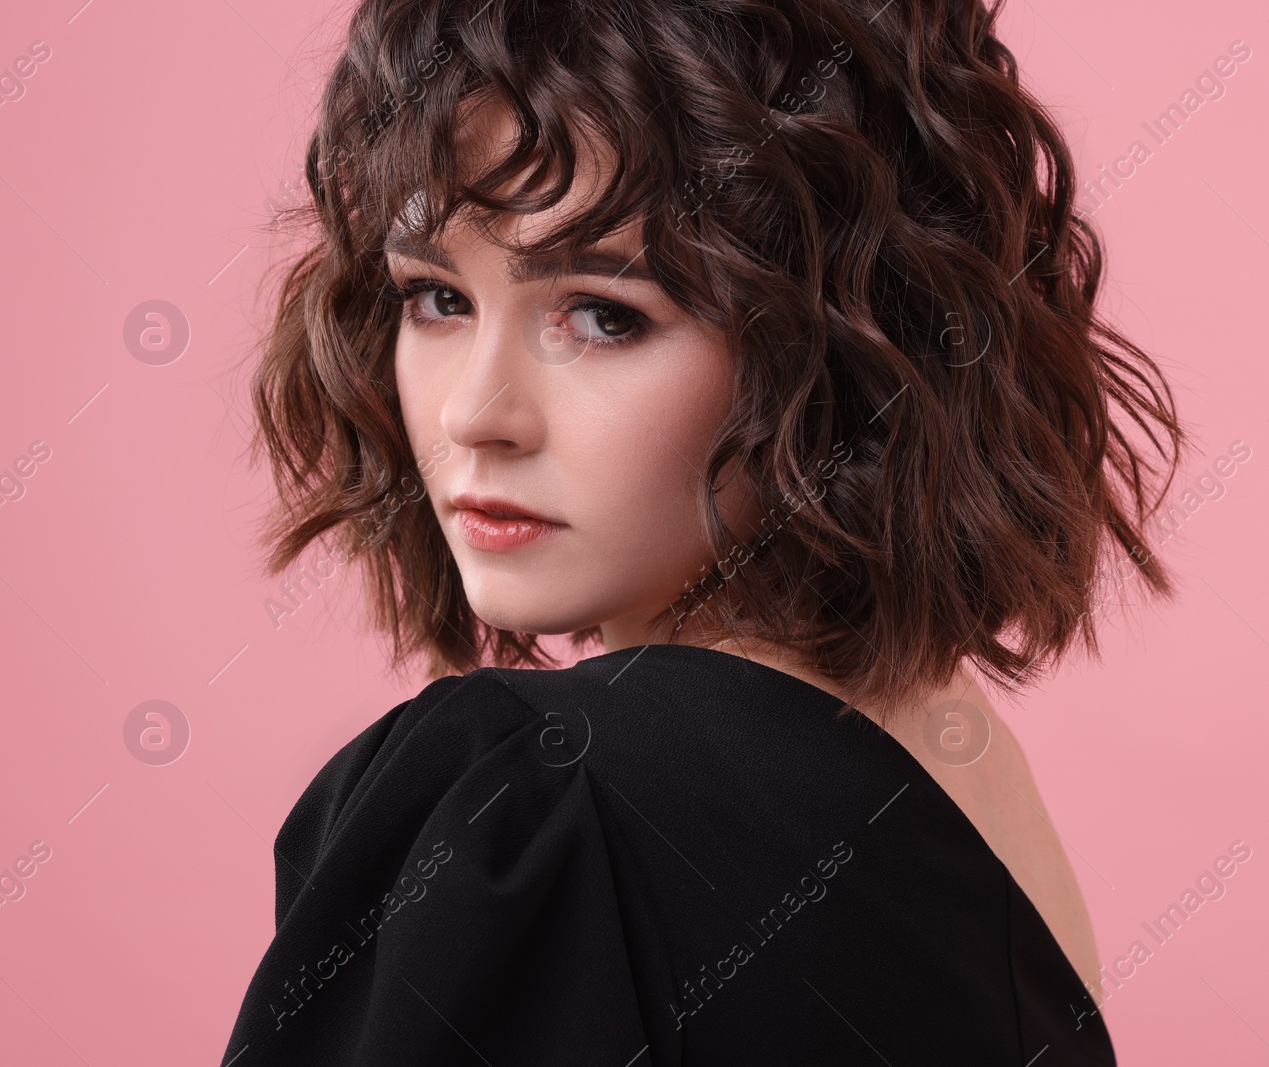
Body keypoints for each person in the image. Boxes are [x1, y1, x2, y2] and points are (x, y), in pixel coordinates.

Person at [222, 0, 1183, 1062]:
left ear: (833, 350)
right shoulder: (969, 775)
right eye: (436, 298)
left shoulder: (534, 797)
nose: (472, 414)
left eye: (603, 314)